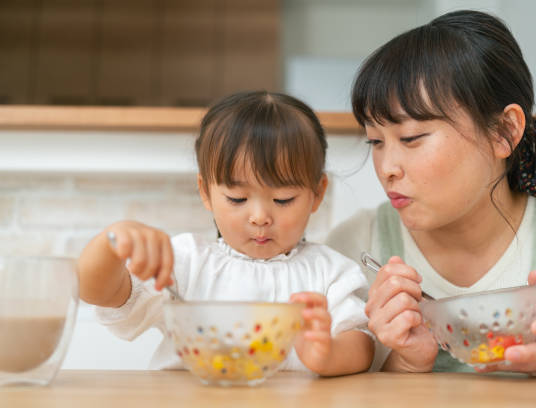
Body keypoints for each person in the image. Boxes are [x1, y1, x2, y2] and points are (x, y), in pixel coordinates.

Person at [326, 10, 536, 377]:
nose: (386, 168)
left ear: (504, 132)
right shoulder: (348, 253)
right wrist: (405, 363)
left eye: (411, 138)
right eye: (376, 142)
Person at [78, 91, 374, 376]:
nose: (260, 217)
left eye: (283, 199)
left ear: (317, 194)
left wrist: (329, 354)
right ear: (205, 191)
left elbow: (362, 343)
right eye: (237, 199)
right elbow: (101, 294)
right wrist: (111, 244)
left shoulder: (329, 272)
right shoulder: (185, 262)